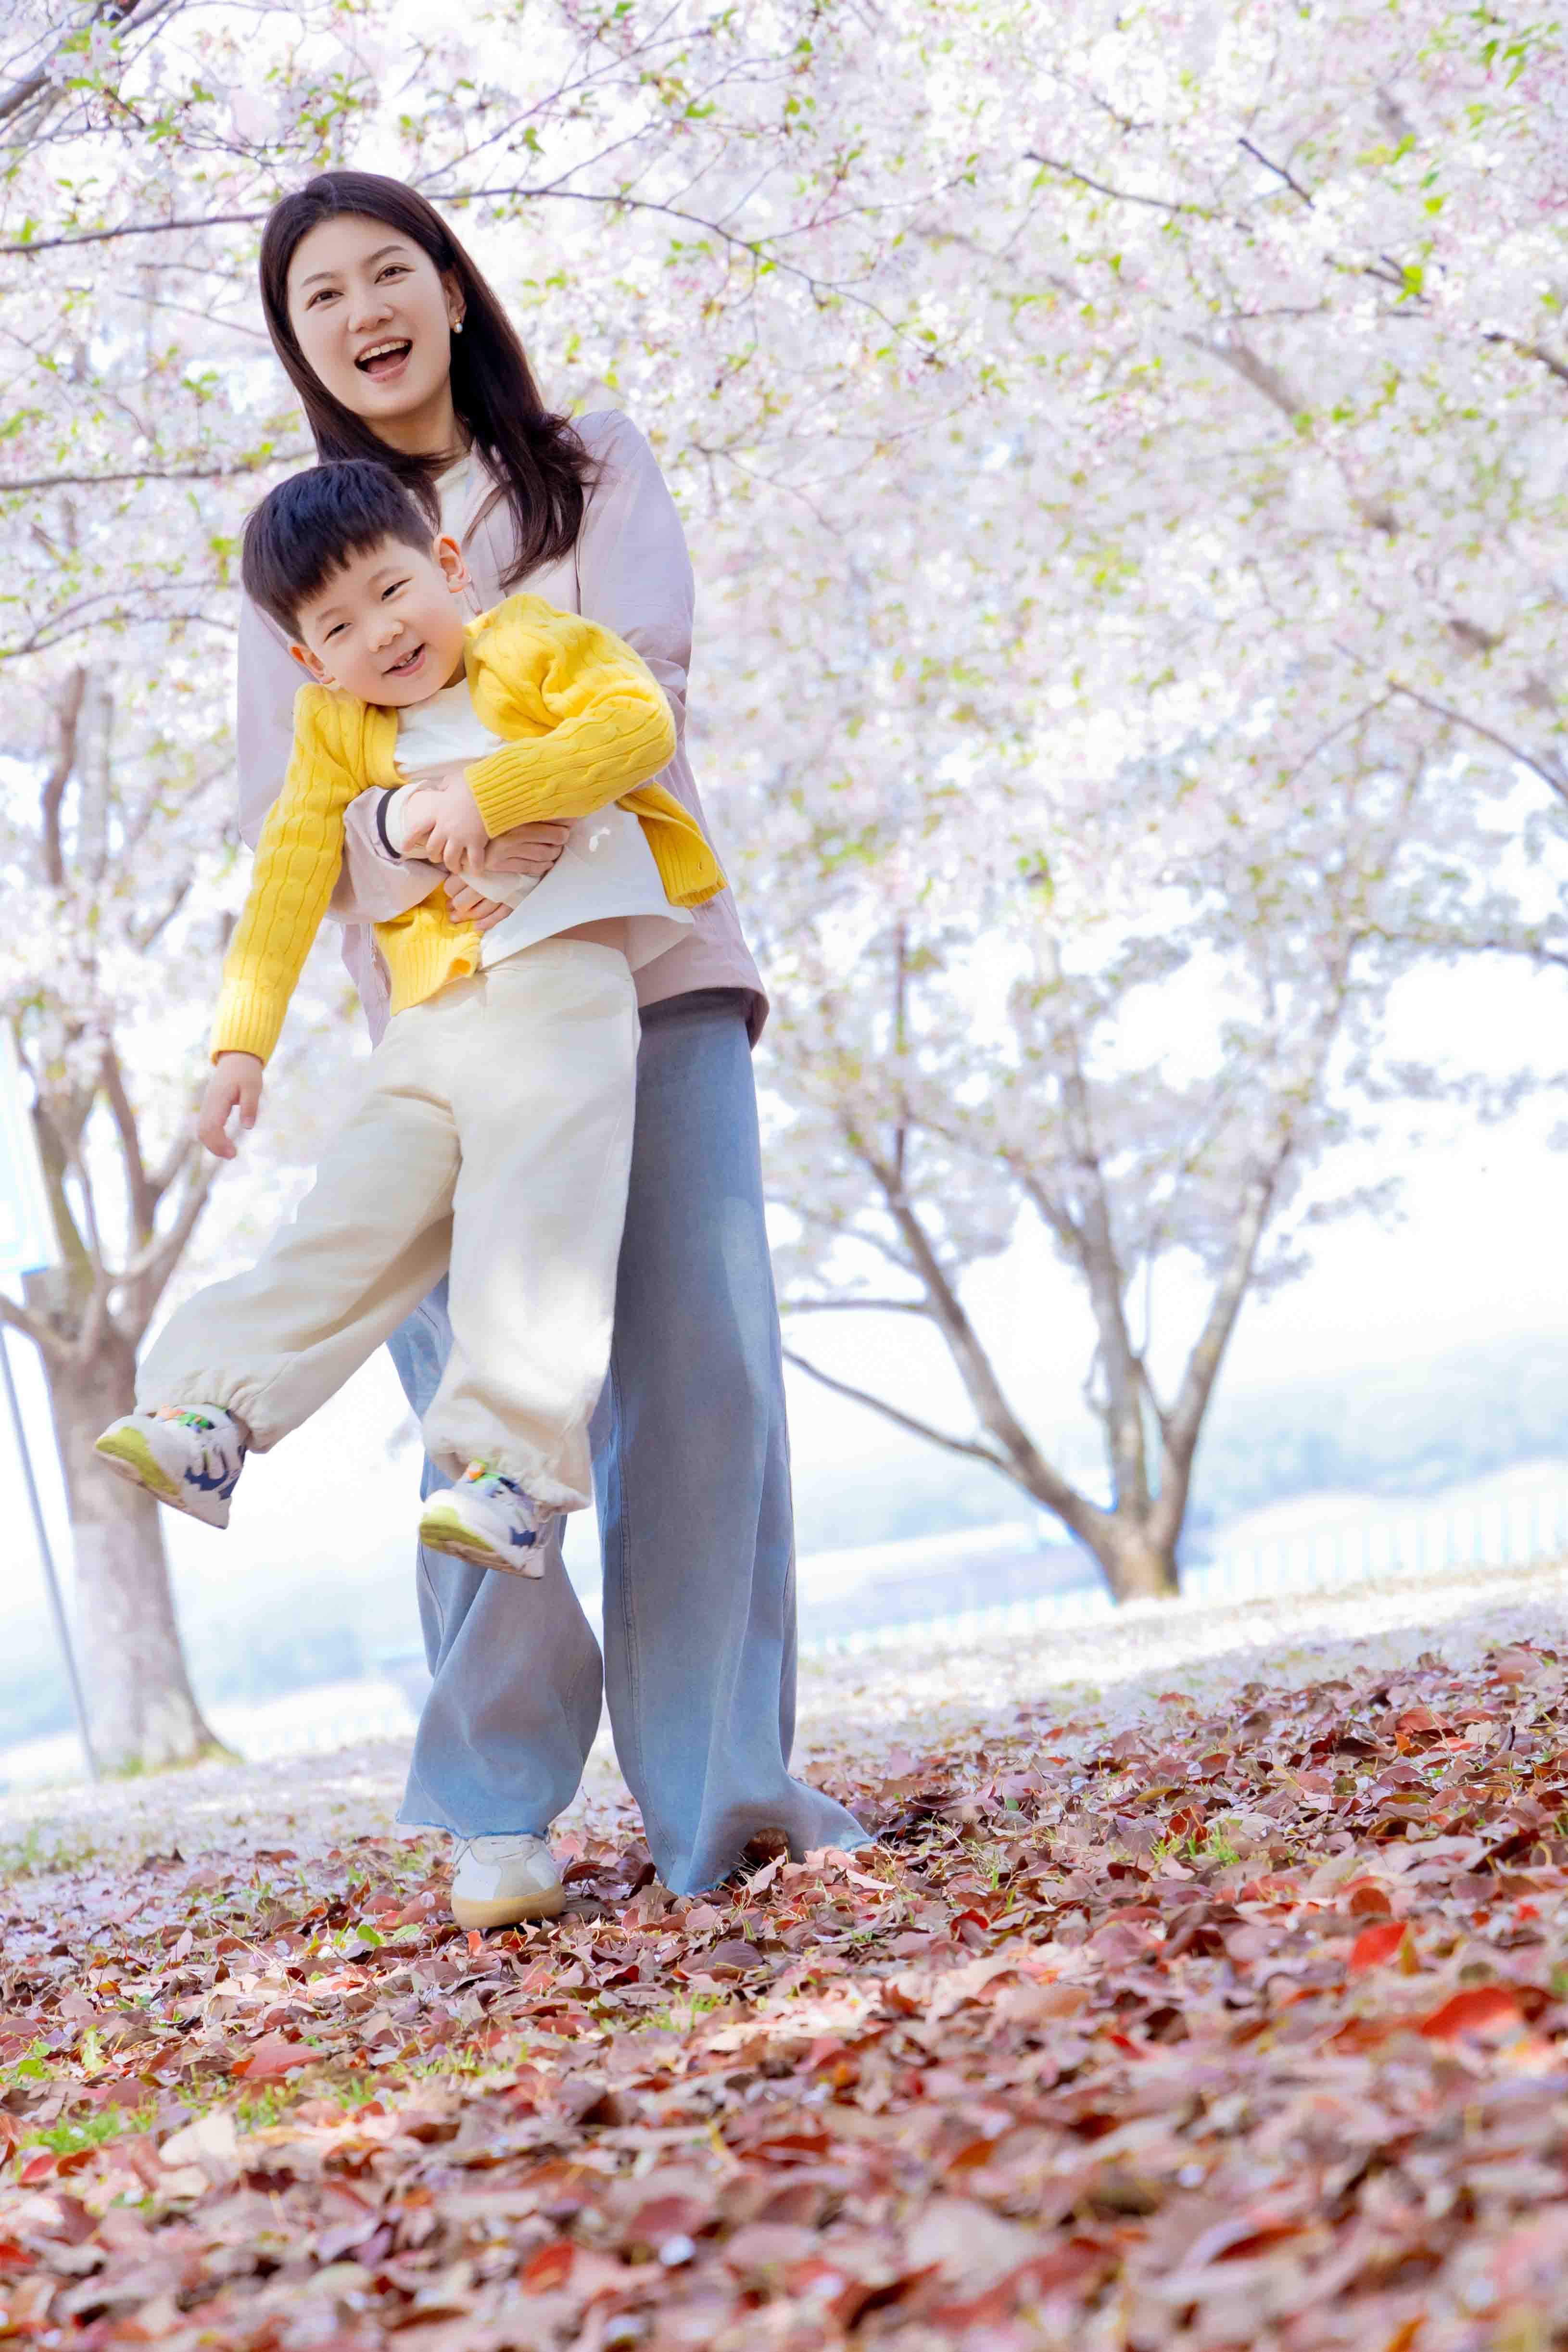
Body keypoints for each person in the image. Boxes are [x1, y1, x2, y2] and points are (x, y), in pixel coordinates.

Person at [232, 167, 869, 1926]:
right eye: (317, 299)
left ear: (450, 287)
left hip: (651, 972)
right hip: (456, 1021)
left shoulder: (591, 466)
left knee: (703, 1375)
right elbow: (296, 813)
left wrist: (493, 792)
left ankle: (719, 1791)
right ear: (297, 345)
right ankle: (497, 1804)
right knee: (477, 1388)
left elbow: (641, 682)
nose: (361, 315)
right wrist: (415, 830)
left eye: (386, 274)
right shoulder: (296, 550)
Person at [96, 456, 717, 1597]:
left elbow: (637, 723)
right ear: (309, 661)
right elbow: (290, 876)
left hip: (556, 992)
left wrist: (490, 795)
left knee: (536, 1220)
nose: (380, 633)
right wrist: (240, 1045)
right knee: (349, 1215)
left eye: (391, 590)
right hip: (429, 1020)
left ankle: (511, 1473)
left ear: (445, 566)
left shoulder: (529, 643)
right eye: (338, 625)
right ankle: (211, 1412)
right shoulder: (336, 730)